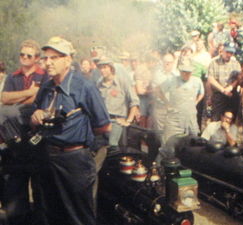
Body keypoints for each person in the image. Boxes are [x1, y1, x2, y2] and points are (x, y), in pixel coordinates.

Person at [31, 37, 111, 225]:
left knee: (78, 216)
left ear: (67, 60)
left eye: (54, 58)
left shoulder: (84, 86)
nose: (48, 62)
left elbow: (104, 125)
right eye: (46, 58)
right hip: (48, 157)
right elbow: (36, 111)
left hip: (74, 161)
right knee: (51, 212)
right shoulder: (47, 87)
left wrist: (77, 134)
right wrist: (35, 115)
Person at [0, 39, 47, 225]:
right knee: (14, 187)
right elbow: (4, 97)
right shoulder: (13, 76)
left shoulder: (44, 76)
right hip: (14, 138)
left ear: (36, 58)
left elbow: (38, 99)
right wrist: (28, 92)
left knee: (39, 187)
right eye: (22, 55)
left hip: (35, 137)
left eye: (29, 55)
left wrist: (16, 101)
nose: (24, 58)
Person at [156, 64, 204, 162]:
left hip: (191, 119)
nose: (186, 74)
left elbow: (201, 92)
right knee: (167, 147)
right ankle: (157, 169)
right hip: (175, 118)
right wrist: (166, 103)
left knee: (194, 145)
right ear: (180, 71)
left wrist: (196, 102)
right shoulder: (171, 80)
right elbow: (158, 90)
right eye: (184, 72)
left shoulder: (197, 81)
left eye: (189, 72)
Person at [97, 58, 139, 151]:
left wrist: (128, 121)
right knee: (100, 147)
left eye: (105, 67)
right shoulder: (99, 84)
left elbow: (134, 101)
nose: (102, 70)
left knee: (113, 146)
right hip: (104, 121)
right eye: (100, 68)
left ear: (111, 68)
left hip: (117, 121)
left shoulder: (122, 81)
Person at [207, 42, 241, 121]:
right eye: (227, 52)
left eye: (231, 53)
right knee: (217, 119)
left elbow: (239, 78)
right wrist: (222, 90)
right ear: (222, 51)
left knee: (231, 119)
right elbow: (211, 78)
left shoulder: (236, 64)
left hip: (232, 94)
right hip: (218, 95)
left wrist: (231, 87)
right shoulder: (214, 63)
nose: (229, 54)